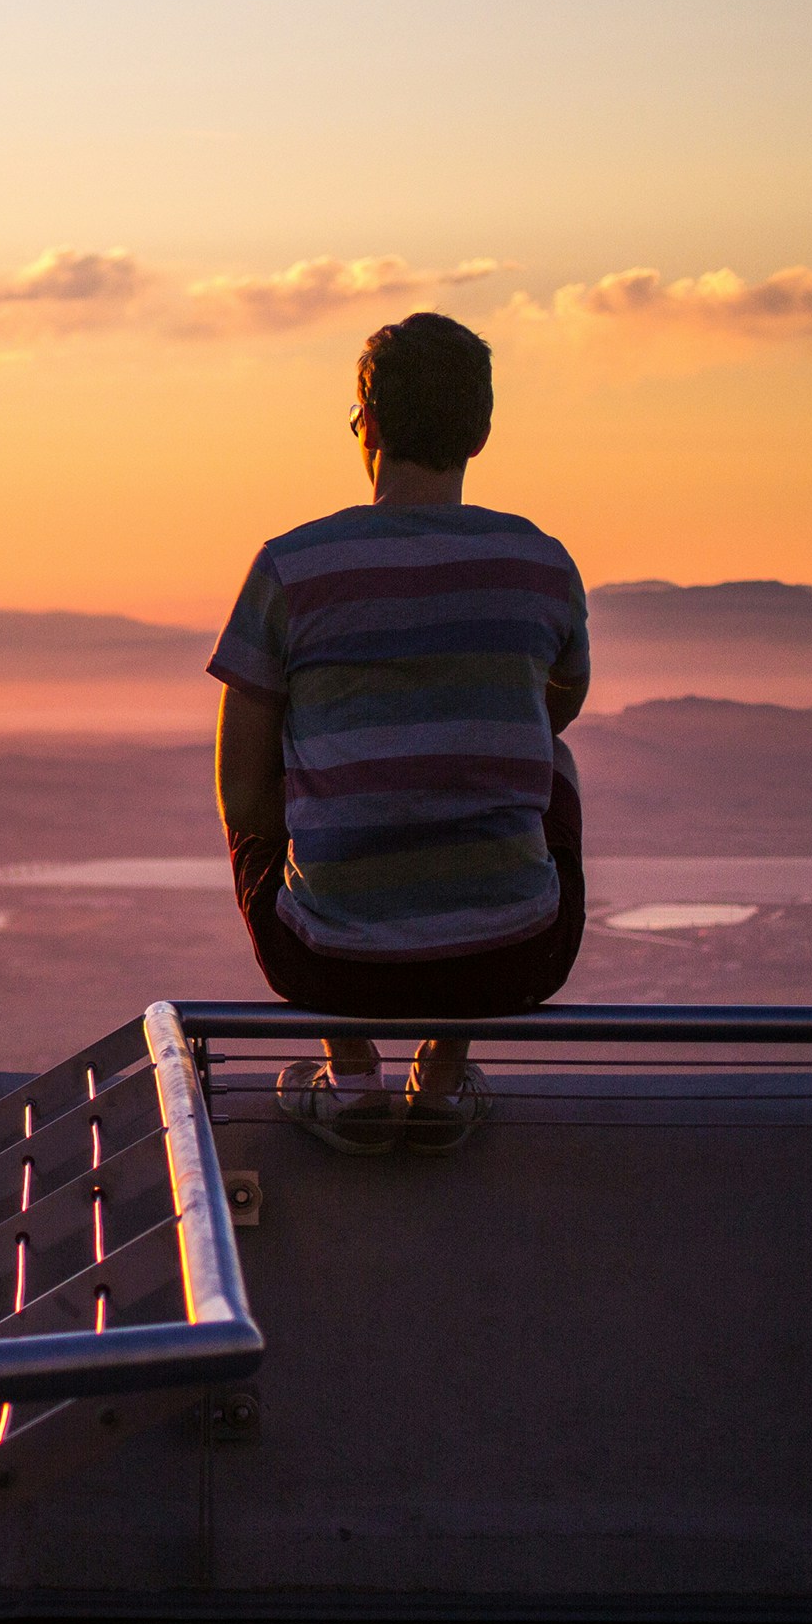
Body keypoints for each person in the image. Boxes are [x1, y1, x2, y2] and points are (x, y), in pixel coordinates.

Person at [209, 312, 589, 1153]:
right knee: (552, 762)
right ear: (481, 432)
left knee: (264, 782)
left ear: (368, 423)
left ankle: (348, 1078)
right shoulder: (541, 562)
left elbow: (240, 789)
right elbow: (559, 709)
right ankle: (444, 1080)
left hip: (328, 962)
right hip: (514, 956)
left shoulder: (291, 567)